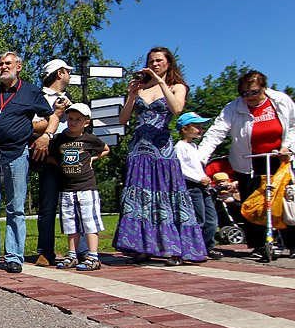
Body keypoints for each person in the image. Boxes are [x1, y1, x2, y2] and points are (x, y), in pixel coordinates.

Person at [112, 47, 206, 265]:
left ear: (168, 63)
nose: (155, 64)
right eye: (151, 61)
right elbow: (123, 120)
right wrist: (131, 96)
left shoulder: (177, 86)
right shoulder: (141, 88)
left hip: (162, 149)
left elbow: (176, 109)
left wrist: (162, 83)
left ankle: (172, 249)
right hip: (139, 148)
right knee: (140, 198)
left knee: (166, 195)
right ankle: (141, 247)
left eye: (159, 61)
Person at [0, 51, 59, 273]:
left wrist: (44, 136)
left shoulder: (30, 92)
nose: (3, 67)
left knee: (16, 208)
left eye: (8, 63)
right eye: (0, 64)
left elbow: (51, 118)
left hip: (18, 154)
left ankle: (14, 257)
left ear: (19, 67)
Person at [198, 70, 295, 253]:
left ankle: (292, 242)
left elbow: (294, 126)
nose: (250, 97)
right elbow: (216, 133)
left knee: (286, 200)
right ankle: (259, 244)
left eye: (255, 92)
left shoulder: (281, 101)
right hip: (248, 161)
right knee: (251, 202)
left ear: (264, 88)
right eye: (245, 94)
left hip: (279, 158)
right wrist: (201, 158)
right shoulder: (233, 108)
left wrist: (288, 147)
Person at [48, 104, 110, 271]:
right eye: (70, 119)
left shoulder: (89, 139)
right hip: (67, 188)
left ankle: (93, 256)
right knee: (70, 223)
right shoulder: (60, 139)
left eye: (78, 120)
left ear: (86, 122)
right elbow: (50, 156)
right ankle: (72, 254)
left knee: (89, 222)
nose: (73, 122)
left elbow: (106, 149)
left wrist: (93, 158)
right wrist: (60, 164)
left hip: (86, 187)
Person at [31, 58, 74, 267]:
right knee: (48, 206)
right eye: (68, 72)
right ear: (59, 73)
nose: (70, 76)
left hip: (72, 158)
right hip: (48, 158)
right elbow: (32, 125)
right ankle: (45, 251)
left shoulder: (69, 98)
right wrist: (55, 117)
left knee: (76, 203)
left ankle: (80, 250)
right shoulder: (38, 97)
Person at [175, 112, 221, 260]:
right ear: (184, 129)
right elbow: (181, 168)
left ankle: (208, 246)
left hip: (202, 186)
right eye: (196, 127)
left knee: (211, 219)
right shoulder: (180, 147)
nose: (200, 130)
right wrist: (198, 178)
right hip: (192, 186)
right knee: (198, 218)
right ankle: (193, 248)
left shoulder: (194, 146)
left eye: (201, 127)